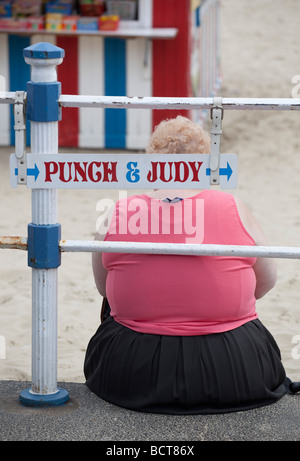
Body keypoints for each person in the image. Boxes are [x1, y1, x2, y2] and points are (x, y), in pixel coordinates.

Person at [84, 115, 290, 415]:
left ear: (152, 165)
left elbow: (104, 289)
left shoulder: (120, 211)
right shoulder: (232, 206)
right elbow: (266, 282)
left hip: (130, 372)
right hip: (234, 370)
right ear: (205, 164)